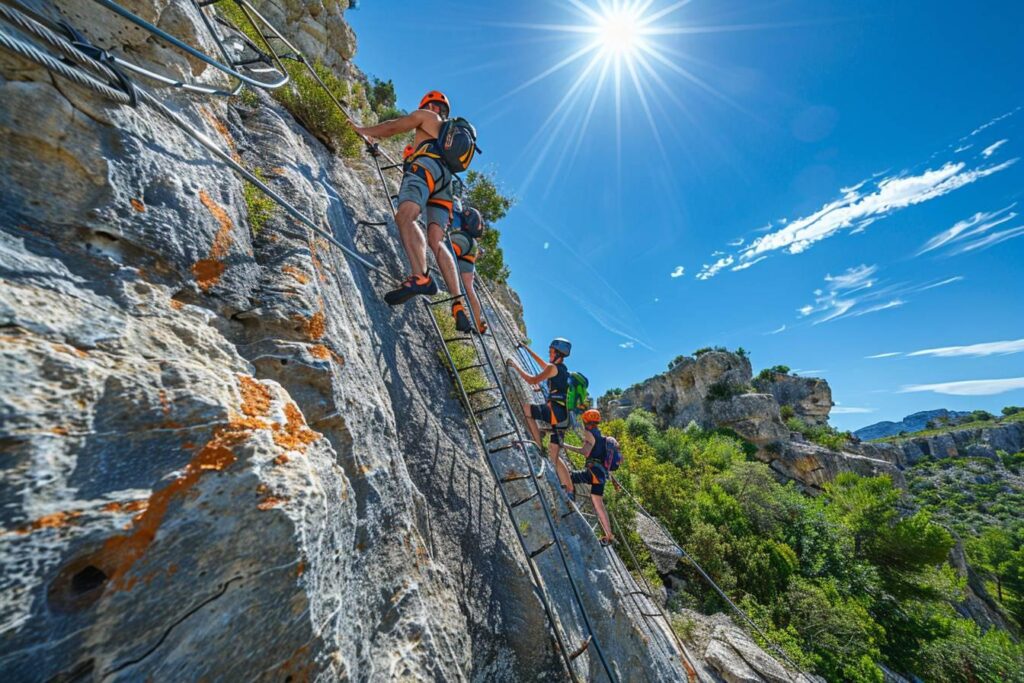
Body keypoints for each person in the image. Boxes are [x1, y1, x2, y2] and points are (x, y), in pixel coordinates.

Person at [354, 91, 461, 311]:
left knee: (406, 216)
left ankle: (421, 277)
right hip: (445, 184)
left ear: (429, 106)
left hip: (426, 170)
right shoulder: (442, 137)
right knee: (437, 241)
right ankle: (458, 303)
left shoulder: (427, 117)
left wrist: (361, 130)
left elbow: (393, 126)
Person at [506, 338, 574, 496]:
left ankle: (537, 444)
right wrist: (527, 349)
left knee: (527, 409)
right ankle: (570, 489)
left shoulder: (553, 368)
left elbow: (532, 380)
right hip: (563, 417)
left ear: (557, 353)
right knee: (554, 454)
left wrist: (515, 366)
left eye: (551, 351)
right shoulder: (562, 369)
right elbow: (543, 364)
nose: (549, 353)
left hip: (555, 413)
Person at [562, 409, 618, 545]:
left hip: (592, 472)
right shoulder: (602, 437)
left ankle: (568, 500)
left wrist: (564, 445)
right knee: (599, 505)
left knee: (566, 476)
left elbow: (585, 452)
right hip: (601, 476)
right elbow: (605, 461)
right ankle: (609, 535)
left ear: (585, 420)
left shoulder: (588, 432)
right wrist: (614, 481)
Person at [448, 201, 487, 334]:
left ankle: (460, 309)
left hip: (463, 252)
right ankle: (478, 322)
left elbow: (450, 250)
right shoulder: (471, 239)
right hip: (469, 260)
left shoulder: (462, 236)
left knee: (467, 289)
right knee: (469, 289)